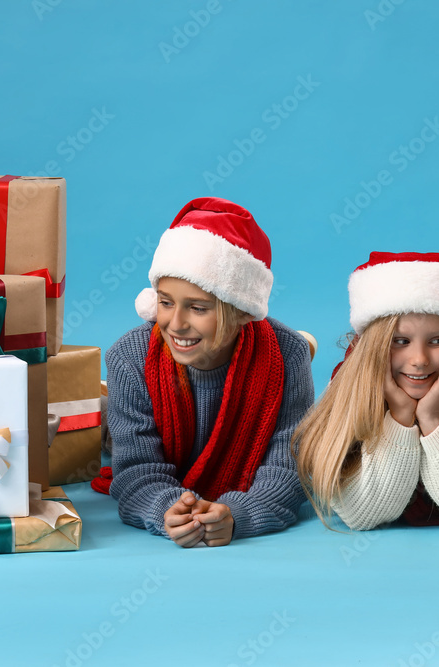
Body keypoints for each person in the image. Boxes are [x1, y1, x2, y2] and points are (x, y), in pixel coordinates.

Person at [101, 197, 314, 547]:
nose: (176, 323)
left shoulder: (288, 354)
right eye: (166, 302)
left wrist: (238, 515)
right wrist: (168, 509)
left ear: (243, 311)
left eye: (198, 308)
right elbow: (136, 470)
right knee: (111, 426)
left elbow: (288, 467)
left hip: (239, 479)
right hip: (149, 434)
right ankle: (101, 411)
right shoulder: (129, 357)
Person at [293, 251, 439, 533]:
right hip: (371, 383)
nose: (419, 359)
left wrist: (431, 418)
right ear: (375, 346)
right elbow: (364, 516)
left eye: (437, 340)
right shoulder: (351, 389)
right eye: (401, 341)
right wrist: (401, 416)